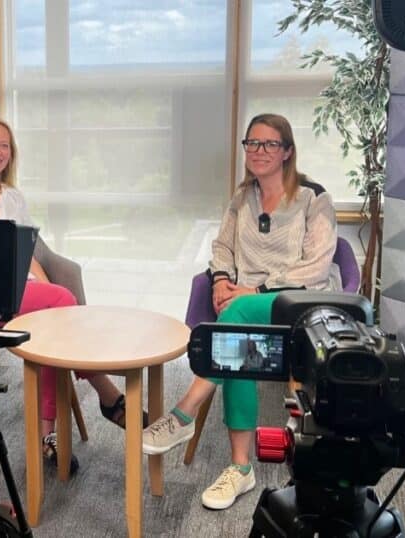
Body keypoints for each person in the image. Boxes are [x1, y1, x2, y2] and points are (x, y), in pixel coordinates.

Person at [141, 113, 341, 510]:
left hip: (299, 304)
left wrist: (255, 288)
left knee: (237, 318)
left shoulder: (313, 198)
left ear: (286, 152)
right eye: (253, 144)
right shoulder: (241, 198)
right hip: (243, 307)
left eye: (269, 144)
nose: (259, 151)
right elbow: (222, 248)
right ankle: (240, 468)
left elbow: (316, 266)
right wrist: (219, 280)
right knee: (238, 344)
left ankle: (184, 413)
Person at [0, 116, 142, 473]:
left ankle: (50, 437)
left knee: (53, 324)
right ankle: (107, 395)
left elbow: (29, 254)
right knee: (61, 308)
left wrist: (47, 290)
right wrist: (54, 296)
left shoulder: (14, 198)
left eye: (5, 146)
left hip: (21, 294)